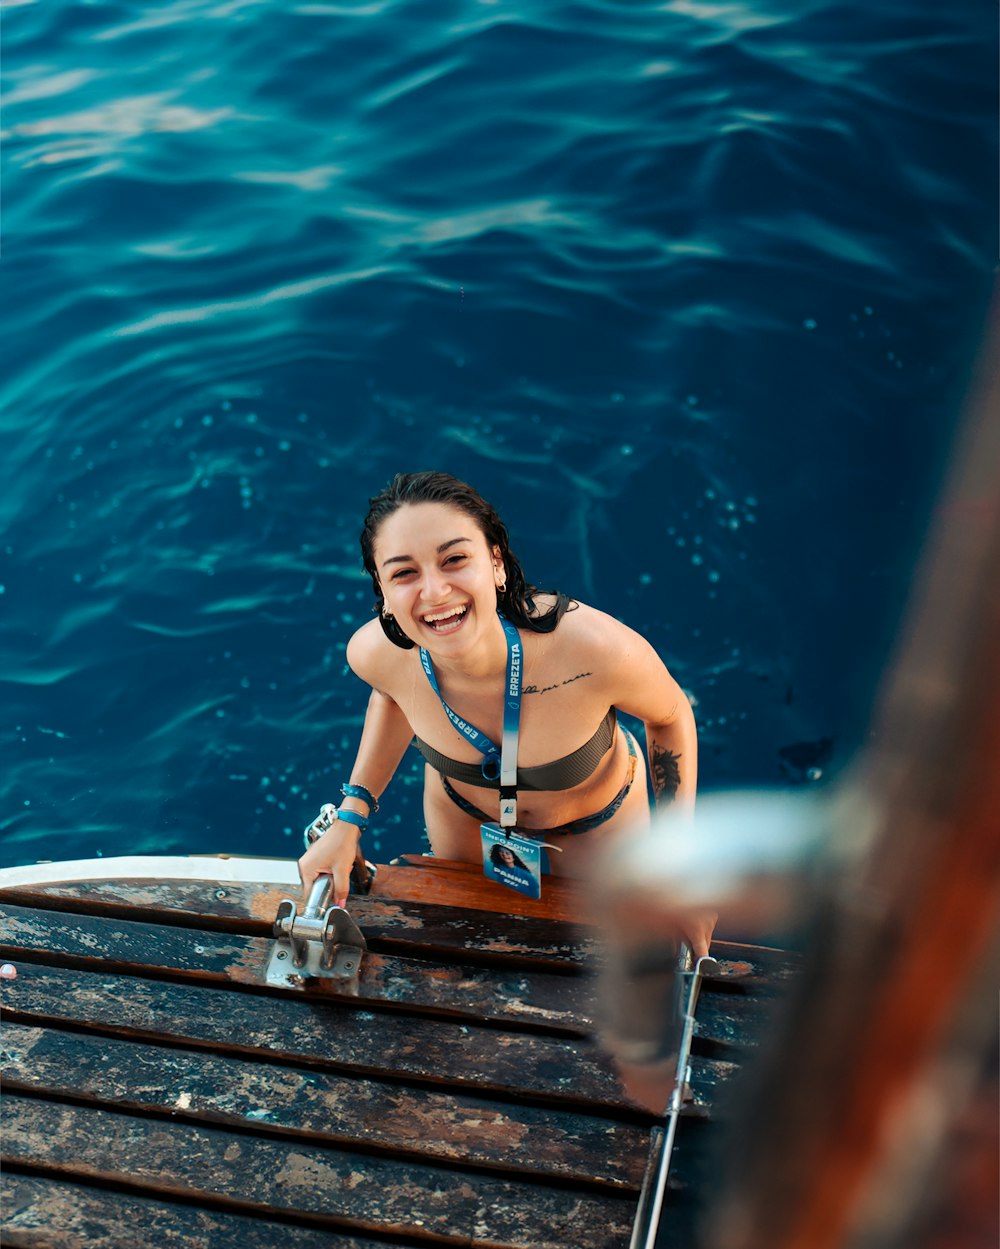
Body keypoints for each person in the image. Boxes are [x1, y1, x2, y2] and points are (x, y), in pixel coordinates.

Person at [298, 470, 712, 954]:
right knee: (463, 954)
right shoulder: (376, 655)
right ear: (384, 594)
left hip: (598, 826)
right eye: (404, 573)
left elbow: (669, 715)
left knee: (613, 960)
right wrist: (350, 817)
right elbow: (392, 697)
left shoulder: (594, 652)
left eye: (454, 559)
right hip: (466, 820)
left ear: (496, 564)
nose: (433, 592)